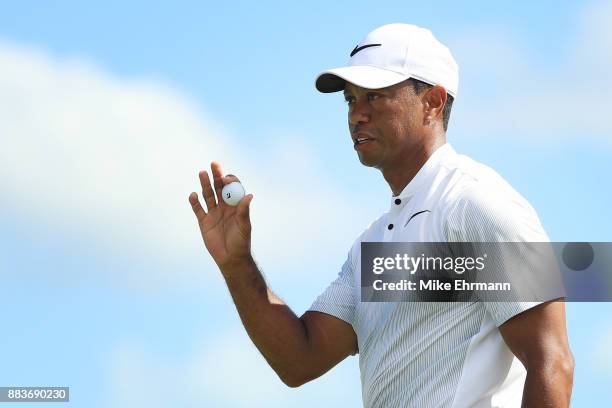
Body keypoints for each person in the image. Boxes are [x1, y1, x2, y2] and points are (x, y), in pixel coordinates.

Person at [189, 23, 574, 407]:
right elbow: (299, 359)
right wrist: (237, 264)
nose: (357, 115)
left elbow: (552, 361)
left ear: (433, 102)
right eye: (351, 100)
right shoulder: (373, 247)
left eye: (374, 96)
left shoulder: (478, 202)